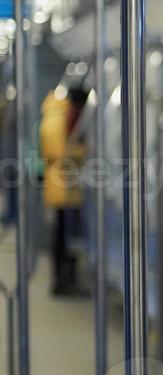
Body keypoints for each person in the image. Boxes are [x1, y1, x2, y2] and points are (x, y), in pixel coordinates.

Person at [39, 76, 88, 296]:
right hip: (64, 183)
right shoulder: (63, 118)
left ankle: (63, 279)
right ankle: (63, 281)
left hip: (57, 181)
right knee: (65, 235)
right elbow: (63, 153)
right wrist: (85, 151)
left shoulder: (52, 114)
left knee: (62, 234)